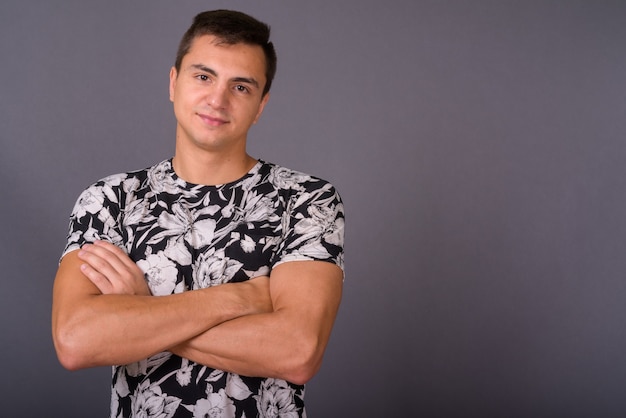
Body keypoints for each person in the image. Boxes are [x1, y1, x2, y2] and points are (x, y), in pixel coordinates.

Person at [51, 9, 344, 418]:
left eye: (241, 87)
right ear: (174, 82)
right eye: (203, 76)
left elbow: (297, 352)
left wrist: (141, 308)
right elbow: (75, 340)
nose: (217, 100)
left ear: (260, 105)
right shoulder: (109, 199)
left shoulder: (306, 200)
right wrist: (239, 298)